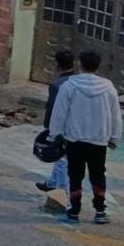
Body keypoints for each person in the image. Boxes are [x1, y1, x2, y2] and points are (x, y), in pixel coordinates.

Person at [49, 50, 123, 225]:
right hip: (99, 140)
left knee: (75, 175)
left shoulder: (70, 86)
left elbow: (59, 113)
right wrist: (114, 137)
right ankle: (100, 211)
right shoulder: (108, 88)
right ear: (98, 66)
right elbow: (116, 115)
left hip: (75, 139)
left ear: (79, 65)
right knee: (98, 175)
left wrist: (54, 135)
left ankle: (74, 211)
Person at [36, 49, 78, 193]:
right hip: (79, 126)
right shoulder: (80, 82)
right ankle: (52, 183)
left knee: (61, 158)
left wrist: (48, 127)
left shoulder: (57, 86)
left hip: (63, 126)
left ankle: (62, 191)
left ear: (57, 66)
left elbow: (52, 108)